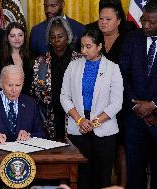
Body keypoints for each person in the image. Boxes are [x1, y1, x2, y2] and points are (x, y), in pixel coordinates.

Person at [60, 29, 123, 189]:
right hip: (78, 128)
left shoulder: (113, 68)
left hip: (104, 130)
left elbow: (116, 103)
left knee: (102, 176)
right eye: (82, 46)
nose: (83, 51)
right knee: (81, 176)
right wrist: (80, 120)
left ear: (100, 46)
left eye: (88, 46)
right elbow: (64, 97)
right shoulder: (73, 66)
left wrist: (93, 123)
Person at [119, 1, 157, 188]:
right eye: (144, 20)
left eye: (152, 22)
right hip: (134, 121)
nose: (146, 25)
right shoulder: (131, 39)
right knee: (135, 177)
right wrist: (137, 106)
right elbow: (122, 75)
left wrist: (153, 105)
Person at [31, 16, 81, 139]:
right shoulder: (40, 62)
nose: (56, 40)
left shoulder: (80, 60)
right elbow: (33, 92)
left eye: (60, 36)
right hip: (47, 120)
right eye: (52, 37)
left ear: (68, 36)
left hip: (75, 119)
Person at [97, 2, 128, 187]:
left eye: (108, 19)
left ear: (118, 21)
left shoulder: (127, 41)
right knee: (102, 149)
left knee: (120, 149)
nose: (103, 22)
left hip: (121, 104)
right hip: (97, 105)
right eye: (101, 18)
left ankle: (121, 186)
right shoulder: (95, 41)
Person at [0, 22, 32, 95]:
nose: (17, 39)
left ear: (24, 37)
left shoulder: (31, 56)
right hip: (5, 98)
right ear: (7, 38)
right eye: (12, 36)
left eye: (20, 35)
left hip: (27, 100)